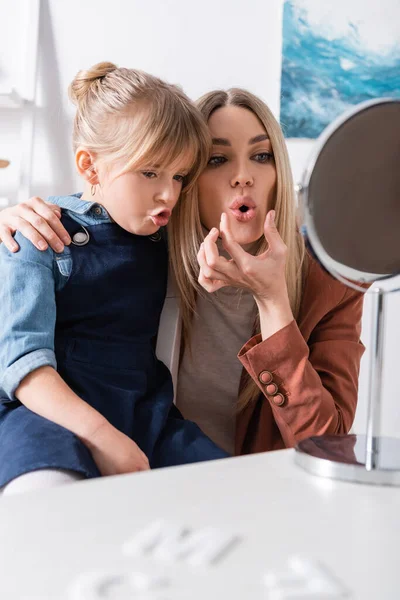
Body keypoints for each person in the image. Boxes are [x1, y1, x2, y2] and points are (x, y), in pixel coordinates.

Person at [0, 87, 365, 459]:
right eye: (217, 159)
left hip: (250, 493)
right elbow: (96, 203)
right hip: (138, 469)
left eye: (261, 155)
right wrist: (11, 222)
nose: (243, 176)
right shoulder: (144, 248)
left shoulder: (332, 283)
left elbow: (326, 443)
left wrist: (273, 303)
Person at [0, 63, 229, 496]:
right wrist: (102, 437)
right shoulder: (39, 234)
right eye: (150, 173)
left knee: (230, 491)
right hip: (47, 415)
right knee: (42, 491)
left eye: (179, 176)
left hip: (145, 413)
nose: (169, 194)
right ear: (90, 167)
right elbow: (24, 368)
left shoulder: (169, 236)